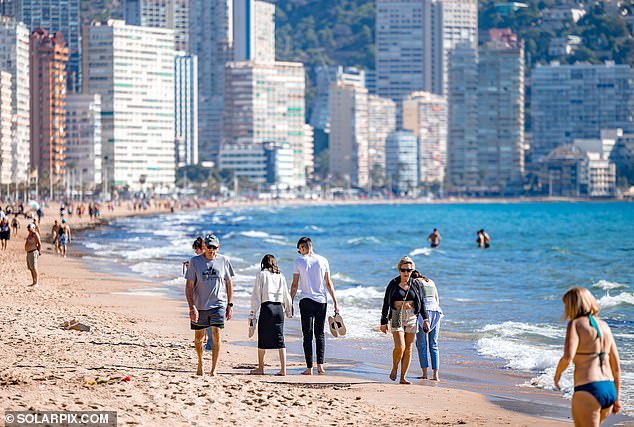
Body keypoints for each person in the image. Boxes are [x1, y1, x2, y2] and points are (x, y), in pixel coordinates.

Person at [554, 287, 621, 426]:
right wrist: (617, 398)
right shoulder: (605, 326)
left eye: (566, 305)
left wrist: (557, 375)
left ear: (573, 305)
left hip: (589, 389)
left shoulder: (576, 324)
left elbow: (568, 357)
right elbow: (616, 367)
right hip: (609, 390)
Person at [184, 234, 234, 376]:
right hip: (199, 306)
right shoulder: (195, 261)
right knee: (199, 338)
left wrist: (230, 305)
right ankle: (200, 363)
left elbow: (229, 284)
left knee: (217, 335)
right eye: (209, 247)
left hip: (218, 305)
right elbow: (189, 286)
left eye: (214, 247)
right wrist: (191, 307)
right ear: (204, 246)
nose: (211, 250)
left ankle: (214, 369)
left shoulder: (224, 261)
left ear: (218, 247)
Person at [290, 236, 339, 375]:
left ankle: (309, 368)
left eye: (300, 249)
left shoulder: (299, 261)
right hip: (321, 302)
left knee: (307, 335)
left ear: (304, 247)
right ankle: (320, 366)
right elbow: (329, 283)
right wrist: (336, 302)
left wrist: (290, 302)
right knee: (320, 334)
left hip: (306, 301)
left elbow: (294, 285)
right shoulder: (323, 260)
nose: (300, 252)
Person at [380, 256, 429, 384]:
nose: (406, 272)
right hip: (396, 315)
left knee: (408, 348)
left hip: (412, 316)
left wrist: (426, 319)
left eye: (408, 270)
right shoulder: (393, 283)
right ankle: (395, 367)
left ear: (412, 270)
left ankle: (403, 377)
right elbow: (386, 302)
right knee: (400, 346)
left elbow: (422, 302)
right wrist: (383, 322)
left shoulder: (416, 284)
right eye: (403, 270)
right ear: (399, 270)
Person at [249, 254, 292, 376]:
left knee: (262, 338)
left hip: (267, 307)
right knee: (280, 339)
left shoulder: (261, 274)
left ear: (263, 264)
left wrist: (253, 313)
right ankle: (283, 369)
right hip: (279, 308)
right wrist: (288, 310)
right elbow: (286, 295)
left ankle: (261, 368)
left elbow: (256, 296)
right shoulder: (281, 276)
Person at [412, 270, 443, 381]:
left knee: (421, 344)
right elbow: (437, 300)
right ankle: (436, 375)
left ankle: (425, 374)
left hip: (424, 312)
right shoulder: (431, 281)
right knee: (434, 344)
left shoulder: (414, 281)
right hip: (436, 311)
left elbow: (417, 300)